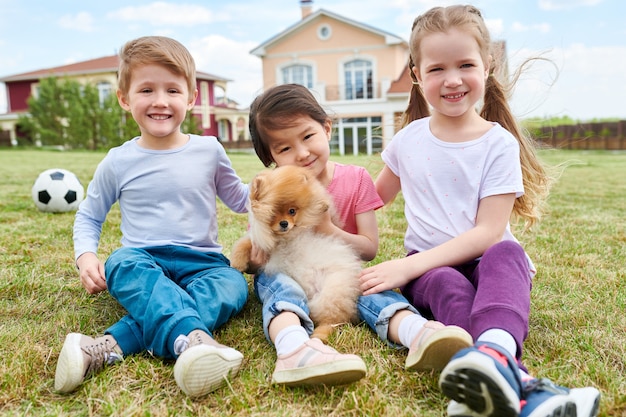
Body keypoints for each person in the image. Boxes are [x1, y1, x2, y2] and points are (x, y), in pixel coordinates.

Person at [359, 5, 601, 417]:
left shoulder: (498, 144)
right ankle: (524, 386)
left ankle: (492, 357)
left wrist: (403, 269)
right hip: (430, 269)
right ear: (417, 75)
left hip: (486, 259)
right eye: (436, 69)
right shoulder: (407, 141)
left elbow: (489, 233)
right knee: (445, 282)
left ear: (487, 67)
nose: (452, 79)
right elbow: (372, 198)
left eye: (465, 65)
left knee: (509, 253)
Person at [54, 36, 249, 399]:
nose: (160, 101)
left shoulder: (209, 150)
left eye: (172, 90)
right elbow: (90, 216)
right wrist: (86, 256)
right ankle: (193, 340)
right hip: (145, 260)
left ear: (190, 98)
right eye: (146, 90)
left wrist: (278, 188)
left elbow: (241, 200)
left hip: (204, 264)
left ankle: (106, 347)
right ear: (125, 98)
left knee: (234, 286)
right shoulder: (118, 160)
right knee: (121, 262)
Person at [246, 83, 473, 387]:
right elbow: (258, 251)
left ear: (326, 128)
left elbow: (368, 249)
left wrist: (329, 229)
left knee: (373, 286)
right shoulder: (270, 189)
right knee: (276, 285)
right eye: (284, 148)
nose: (301, 153)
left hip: (337, 274)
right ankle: (293, 348)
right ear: (269, 156)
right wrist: (254, 256)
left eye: (307, 136)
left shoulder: (356, 179)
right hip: (288, 270)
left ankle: (415, 332)